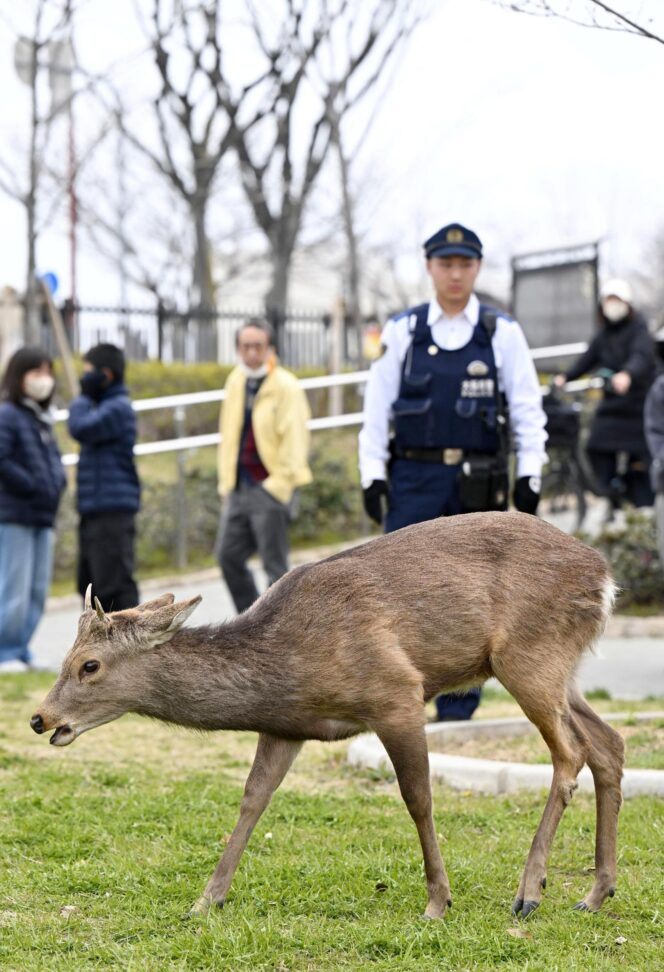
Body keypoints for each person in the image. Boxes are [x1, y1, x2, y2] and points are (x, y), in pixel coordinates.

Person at [359, 222, 547, 721]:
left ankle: (461, 709)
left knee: (472, 598)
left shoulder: (499, 332)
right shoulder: (404, 331)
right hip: (414, 479)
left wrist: (530, 472)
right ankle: (402, 700)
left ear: (478, 268)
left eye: (465, 264)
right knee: (399, 590)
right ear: (430, 267)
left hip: (477, 480)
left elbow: (528, 407)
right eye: (446, 264)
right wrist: (371, 472)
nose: (456, 274)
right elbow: (376, 409)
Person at [217, 318, 312, 613]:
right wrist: (225, 483)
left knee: (275, 568)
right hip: (238, 485)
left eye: (258, 346)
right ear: (237, 349)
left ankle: (281, 632)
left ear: (270, 348)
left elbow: (296, 439)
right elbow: (228, 433)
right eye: (246, 346)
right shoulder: (236, 381)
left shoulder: (286, 386)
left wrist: (278, 486)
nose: (252, 353)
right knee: (227, 555)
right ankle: (250, 622)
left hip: (269, 484)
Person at [553, 278, 655, 514]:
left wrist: (627, 375)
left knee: (639, 459)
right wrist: (565, 377)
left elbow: (641, 357)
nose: (613, 305)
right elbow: (586, 360)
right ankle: (611, 491)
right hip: (612, 405)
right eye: (609, 301)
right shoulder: (603, 335)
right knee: (595, 444)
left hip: (638, 404)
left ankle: (638, 500)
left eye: (617, 300)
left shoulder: (639, 330)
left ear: (627, 304)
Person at [0, 347, 66, 671]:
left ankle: (21, 648)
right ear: (19, 376)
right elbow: (3, 460)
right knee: (13, 588)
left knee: (37, 590)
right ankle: (5, 652)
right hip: (14, 515)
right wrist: (32, 486)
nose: (44, 380)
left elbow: (53, 462)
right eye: (36, 372)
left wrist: (57, 484)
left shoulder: (40, 417)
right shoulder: (7, 414)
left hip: (42, 515)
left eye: (47, 372)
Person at [68, 343, 140, 612]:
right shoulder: (104, 407)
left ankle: (134, 648)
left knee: (114, 587)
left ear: (106, 375)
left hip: (112, 510)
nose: (84, 379)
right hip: (95, 508)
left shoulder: (117, 408)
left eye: (89, 373)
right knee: (90, 584)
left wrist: (82, 399)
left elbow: (79, 427)